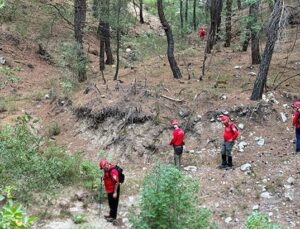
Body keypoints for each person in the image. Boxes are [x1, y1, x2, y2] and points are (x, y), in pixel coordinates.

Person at [99, 159, 120, 224]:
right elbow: (107, 176)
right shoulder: (106, 170)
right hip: (109, 189)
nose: (103, 169)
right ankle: (110, 215)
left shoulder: (113, 171)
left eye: (103, 168)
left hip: (114, 190)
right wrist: (103, 178)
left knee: (114, 204)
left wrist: (115, 192)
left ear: (106, 165)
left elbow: (116, 182)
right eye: (102, 168)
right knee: (110, 203)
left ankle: (113, 218)